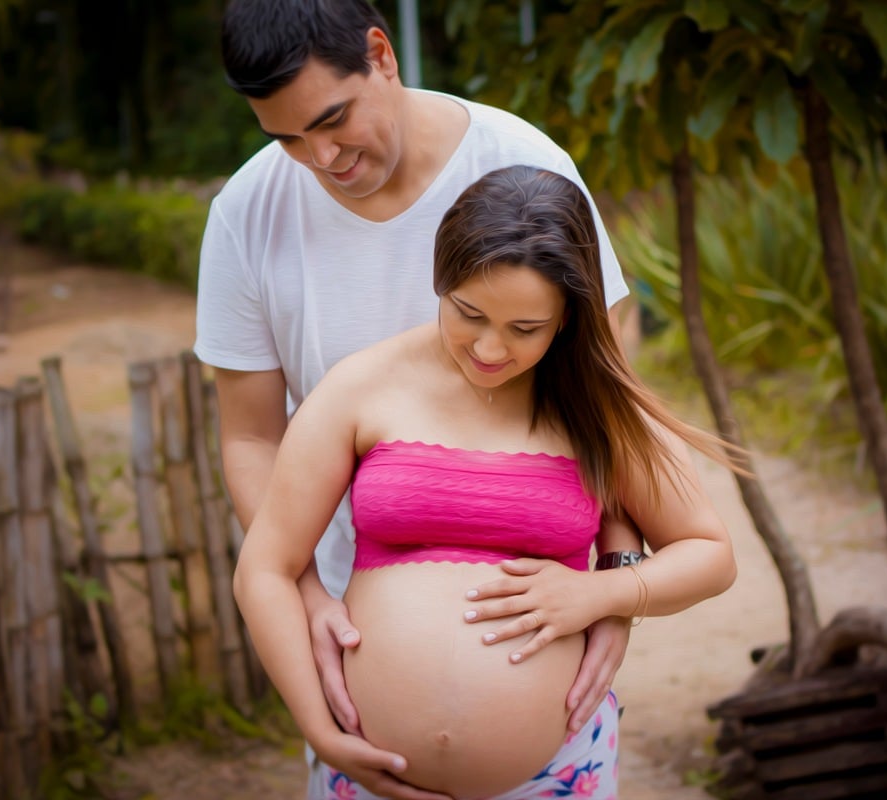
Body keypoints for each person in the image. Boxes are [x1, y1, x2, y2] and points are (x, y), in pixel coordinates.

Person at [195, 2, 646, 793]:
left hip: (542, 616)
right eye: (287, 138)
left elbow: (605, 394)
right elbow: (251, 440)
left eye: (333, 119)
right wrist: (301, 592)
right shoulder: (244, 216)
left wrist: (616, 579)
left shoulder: (519, 161)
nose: (321, 156)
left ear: (381, 54)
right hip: (353, 628)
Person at [233, 165, 738, 800]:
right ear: (440, 280)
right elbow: (266, 568)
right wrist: (320, 730)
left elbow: (710, 555)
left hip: (554, 777)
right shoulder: (363, 386)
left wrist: (604, 594)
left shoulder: (596, 409)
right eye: (469, 314)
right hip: (362, 768)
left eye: (525, 329)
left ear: (566, 319)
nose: (491, 350)